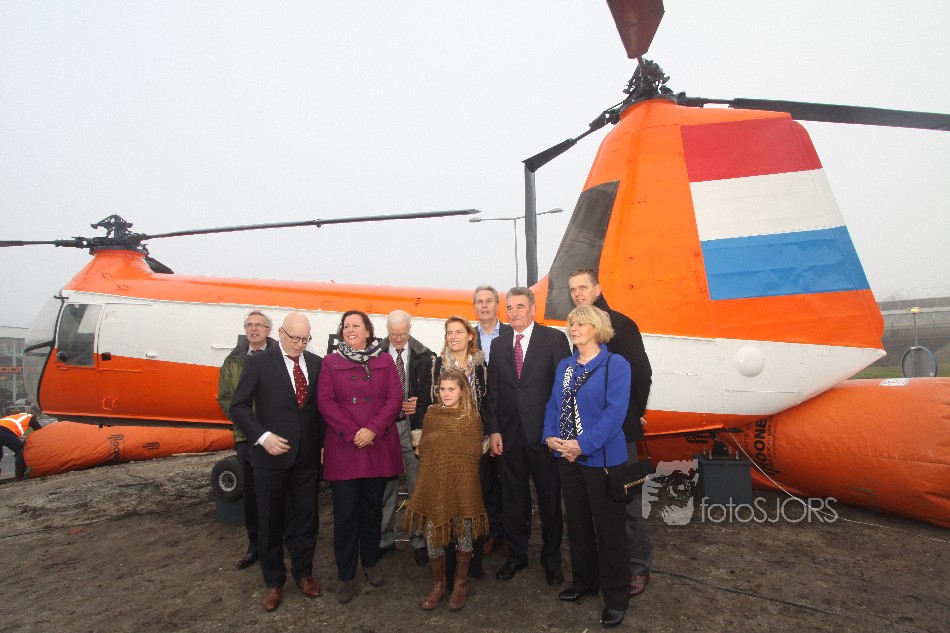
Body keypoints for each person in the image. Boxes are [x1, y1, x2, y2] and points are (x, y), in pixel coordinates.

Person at [543, 304, 632, 628]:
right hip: (567, 459)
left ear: (596, 329)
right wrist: (550, 437)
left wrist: (583, 445)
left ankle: (616, 598)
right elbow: (553, 404)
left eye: (580, 324)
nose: (574, 329)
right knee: (578, 526)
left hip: (601, 460)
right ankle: (584, 582)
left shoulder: (615, 365)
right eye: (571, 324)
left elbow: (615, 414)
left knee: (609, 533)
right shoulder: (565, 366)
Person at [230, 312, 325, 612]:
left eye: (305, 339)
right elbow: (238, 408)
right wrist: (262, 437)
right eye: (294, 338)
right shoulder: (259, 363)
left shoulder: (316, 364)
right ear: (280, 333)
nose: (299, 344)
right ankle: (273, 581)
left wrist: (323, 445)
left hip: (307, 457)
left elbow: (319, 410)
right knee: (270, 520)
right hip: (270, 458)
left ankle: (304, 573)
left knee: (306, 518)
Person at [569, 268, 654, 597]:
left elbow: (642, 374)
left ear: (598, 288)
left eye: (583, 287)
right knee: (597, 503)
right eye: (573, 289)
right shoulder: (576, 328)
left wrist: (634, 413)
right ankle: (610, 562)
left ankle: (638, 566)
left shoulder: (620, 324)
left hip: (619, 430)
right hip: (587, 433)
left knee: (627, 499)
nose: (578, 293)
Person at [485, 286, 571, 586]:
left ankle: (551, 559)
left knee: (549, 499)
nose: (514, 312)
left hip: (544, 436)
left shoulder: (554, 340)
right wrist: (495, 430)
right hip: (509, 436)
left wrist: (556, 432)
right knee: (513, 499)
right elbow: (493, 392)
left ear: (533, 309)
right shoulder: (499, 344)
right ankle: (517, 555)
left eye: (520, 306)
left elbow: (564, 390)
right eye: (509, 308)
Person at [317, 310, 404, 604]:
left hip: (376, 446)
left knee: (371, 511)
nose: (350, 330)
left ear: (368, 330)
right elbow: (325, 402)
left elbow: (394, 399)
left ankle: (370, 562)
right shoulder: (330, 362)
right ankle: (345, 575)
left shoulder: (385, 361)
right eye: (346, 326)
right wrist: (353, 432)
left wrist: (373, 430)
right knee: (345, 516)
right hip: (346, 448)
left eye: (356, 325)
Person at [406, 367, 488, 612]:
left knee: (464, 533)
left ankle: (461, 584)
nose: (446, 393)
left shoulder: (471, 418)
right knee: (433, 533)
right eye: (442, 389)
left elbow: (473, 452)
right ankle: (438, 585)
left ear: (463, 391)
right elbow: (425, 449)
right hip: (435, 484)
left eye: (451, 389)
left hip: (463, 486)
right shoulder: (432, 414)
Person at [415, 316, 489, 579]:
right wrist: (421, 439)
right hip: (441, 444)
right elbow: (423, 401)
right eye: (449, 332)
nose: (454, 337)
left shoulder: (480, 365)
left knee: (469, 502)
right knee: (443, 502)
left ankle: (468, 572)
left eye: (459, 331)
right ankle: (445, 573)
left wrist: (489, 436)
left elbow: (489, 401)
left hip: (472, 442)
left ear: (470, 335)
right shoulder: (435, 364)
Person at [217, 310, 278, 570]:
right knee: (251, 495)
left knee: (278, 494)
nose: (254, 329)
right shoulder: (232, 361)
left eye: (259, 325)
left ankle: (281, 540)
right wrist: (249, 424)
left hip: (275, 437)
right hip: (246, 438)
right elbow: (226, 398)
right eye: (250, 325)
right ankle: (255, 545)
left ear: (268, 330)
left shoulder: (279, 357)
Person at [377, 310, 434, 565]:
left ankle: (419, 540)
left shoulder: (425, 355)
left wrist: (419, 404)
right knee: (385, 486)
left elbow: (434, 394)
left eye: (403, 333)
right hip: (385, 429)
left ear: (410, 329)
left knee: (417, 485)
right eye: (394, 334)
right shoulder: (375, 354)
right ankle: (384, 538)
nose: (398, 339)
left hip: (414, 428)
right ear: (387, 330)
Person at [471, 285, 508, 555]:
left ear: (497, 305)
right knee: (485, 481)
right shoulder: (467, 337)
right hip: (479, 421)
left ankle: (512, 532)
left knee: (511, 480)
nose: (484, 306)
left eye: (489, 301)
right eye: (479, 302)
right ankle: (492, 532)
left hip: (509, 417)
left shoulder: (510, 334)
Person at [0, 407, 42, 481]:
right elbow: (40, 431)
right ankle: (19, 476)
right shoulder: (30, 418)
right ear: (35, 414)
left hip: (3, 430)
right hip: (4, 432)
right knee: (20, 450)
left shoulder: (17, 416)